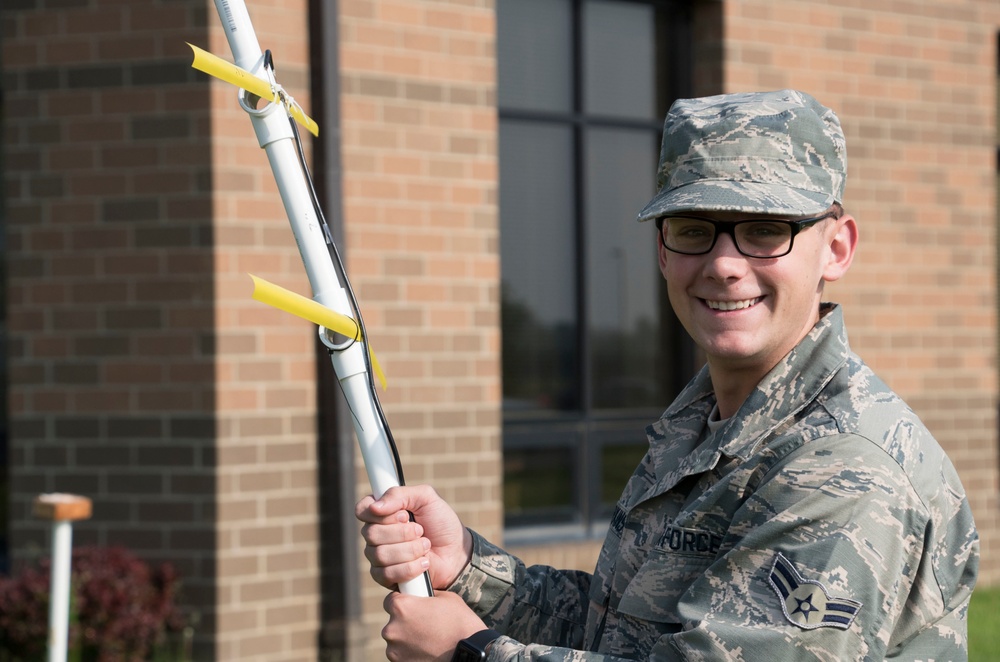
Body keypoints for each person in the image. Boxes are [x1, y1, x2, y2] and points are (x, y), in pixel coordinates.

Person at [355, 89, 980, 661]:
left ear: (836, 248)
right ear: (663, 251)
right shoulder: (708, 424)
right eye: (694, 230)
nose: (724, 265)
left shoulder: (846, 470)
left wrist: (472, 652)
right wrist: (467, 567)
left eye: (765, 230)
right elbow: (625, 631)